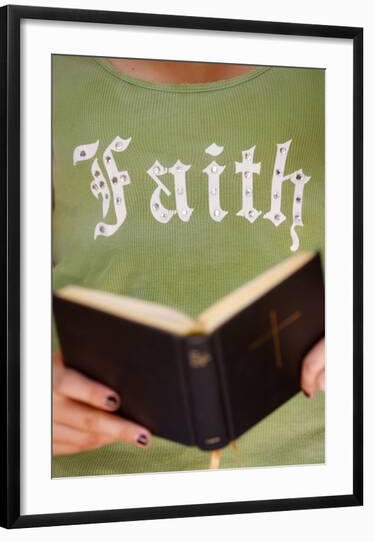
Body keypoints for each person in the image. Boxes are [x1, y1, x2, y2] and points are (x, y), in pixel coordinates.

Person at [51, 55, 325, 475]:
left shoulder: (344, 58)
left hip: (319, 468)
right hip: (97, 471)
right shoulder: (33, 64)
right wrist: (8, 385)